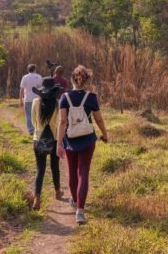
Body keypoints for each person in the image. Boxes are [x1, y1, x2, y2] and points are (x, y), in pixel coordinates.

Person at [57, 65, 108, 225]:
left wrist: (59, 143)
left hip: (70, 139)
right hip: (87, 139)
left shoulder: (64, 98)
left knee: (72, 172)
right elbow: (98, 119)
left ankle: (74, 199)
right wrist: (105, 134)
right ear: (85, 81)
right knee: (83, 172)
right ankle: (80, 211)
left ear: (72, 79)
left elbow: (62, 122)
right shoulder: (91, 97)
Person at [31, 77, 64, 210]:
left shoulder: (35, 102)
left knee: (40, 170)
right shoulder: (57, 103)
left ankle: (37, 198)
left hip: (38, 139)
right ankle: (57, 192)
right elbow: (60, 123)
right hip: (54, 140)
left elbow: (34, 122)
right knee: (55, 167)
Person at [19, 64, 42, 135]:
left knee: (28, 114)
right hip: (38, 98)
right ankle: (38, 128)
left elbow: (22, 89)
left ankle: (31, 130)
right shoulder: (39, 77)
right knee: (38, 114)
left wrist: (20, 100)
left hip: (28, 98)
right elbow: (42, 88)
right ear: (35, 69)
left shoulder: (25, 77)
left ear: (28, 70)